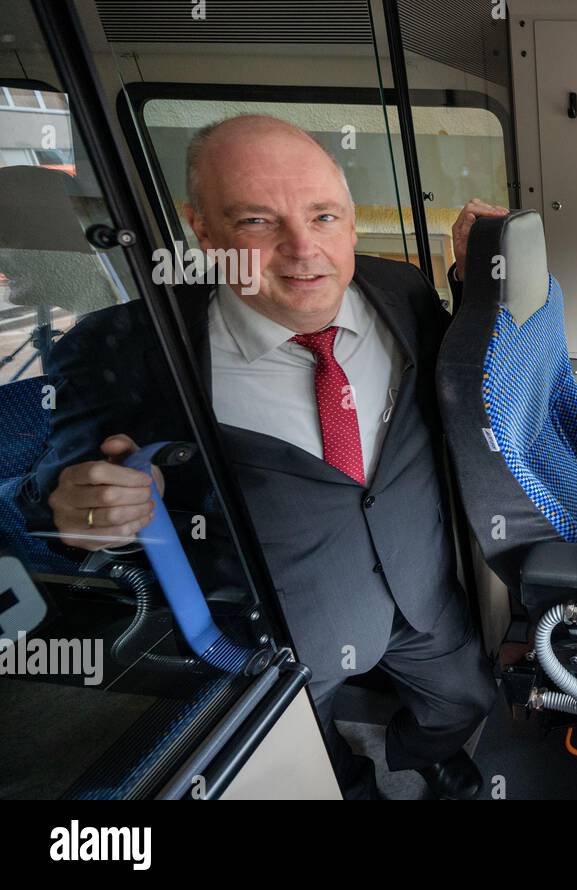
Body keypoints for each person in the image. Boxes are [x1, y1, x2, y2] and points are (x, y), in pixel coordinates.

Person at [14, 115, 507, 800]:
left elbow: (464, 379)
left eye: (324, 216)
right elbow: (52, 492)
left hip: (422, 594)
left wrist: (475, 277)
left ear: (351, 225)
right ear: (203, 230)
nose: (303, 250)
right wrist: (81, 511)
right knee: (310, 757)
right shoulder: (128, 347)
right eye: (255, 222)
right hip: (277, 632)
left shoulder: (402, 292)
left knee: (464, 700)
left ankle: (429, 756)